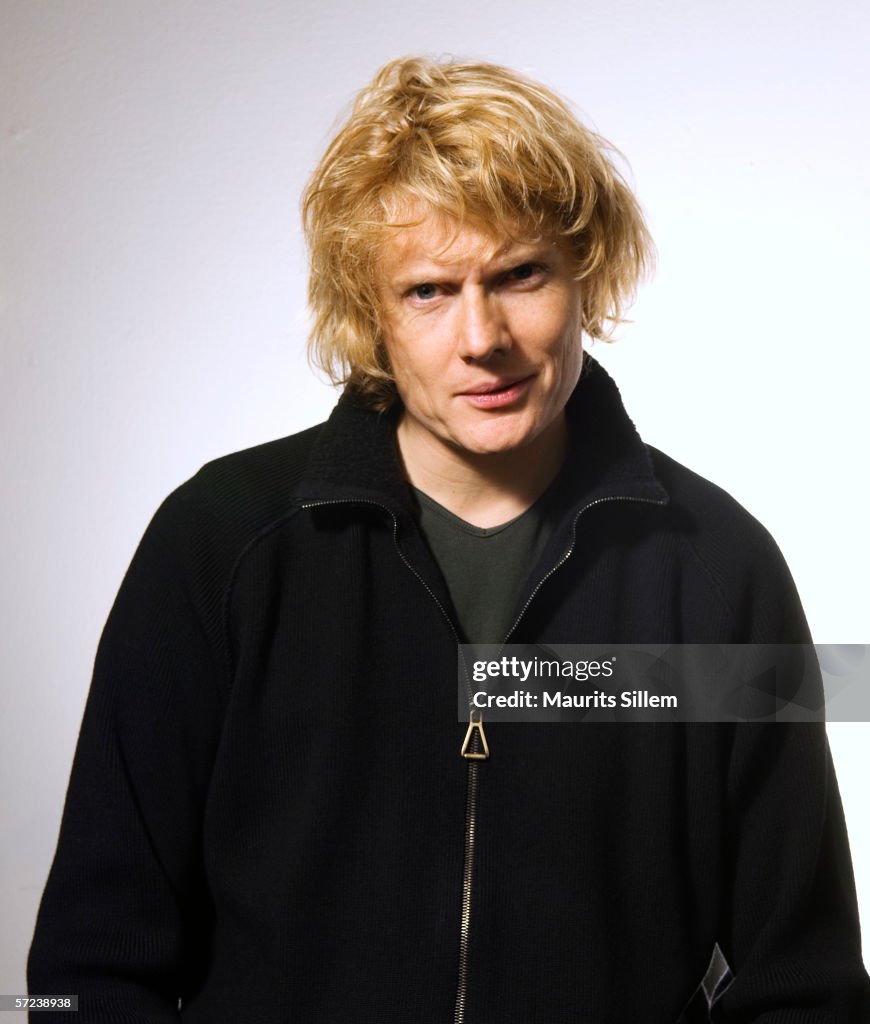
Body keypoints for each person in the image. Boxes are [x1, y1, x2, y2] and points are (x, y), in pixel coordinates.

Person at [28, 56, 869, 1021]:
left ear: (584, 276)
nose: (482, 336)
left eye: (519, 274)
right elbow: (92, 968)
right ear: (370, 316)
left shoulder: (723, 572)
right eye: (429, 290)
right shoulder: (220, 546)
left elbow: (804, 987)